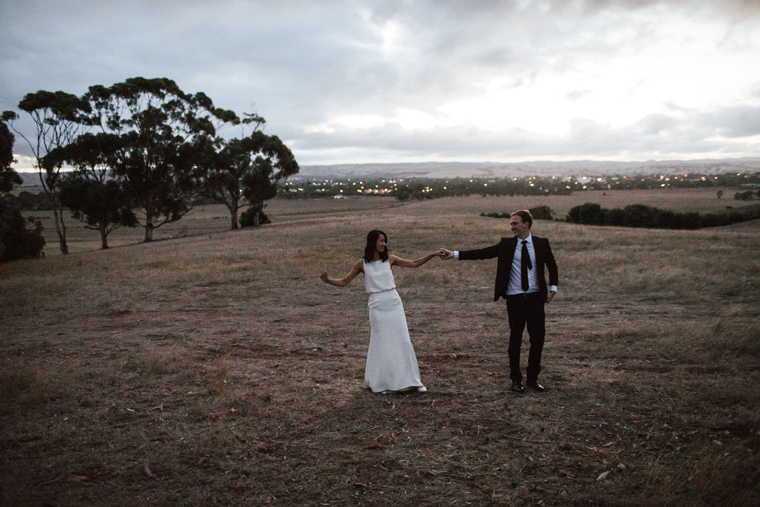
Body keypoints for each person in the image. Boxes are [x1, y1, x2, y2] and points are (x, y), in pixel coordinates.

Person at [442, 210, 558, 393]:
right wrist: (454, 254)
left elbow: (552, 266)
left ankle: (533, 379)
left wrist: (553, 289)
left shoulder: (541, 243)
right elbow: (483, 253)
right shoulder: (506, 244)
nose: (511, 226)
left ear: (526, 224)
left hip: (536, 299)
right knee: (515, 339)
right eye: (511, 224)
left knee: (538, 340)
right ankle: (516, 380)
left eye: (515, 223)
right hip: (515, 299)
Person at [320, 230, 444, 394]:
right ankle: (384, 382)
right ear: (373, 242)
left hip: (393, 301)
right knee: (382, 342)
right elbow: (344, 281)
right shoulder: (362, 264)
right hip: (377, 305)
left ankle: (413, 380)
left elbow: (413, 263)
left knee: (403, 340)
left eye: (385, 241)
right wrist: (328, 280)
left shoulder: (390, 259)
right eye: (381, 241)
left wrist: (433, 254)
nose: (384, 244)